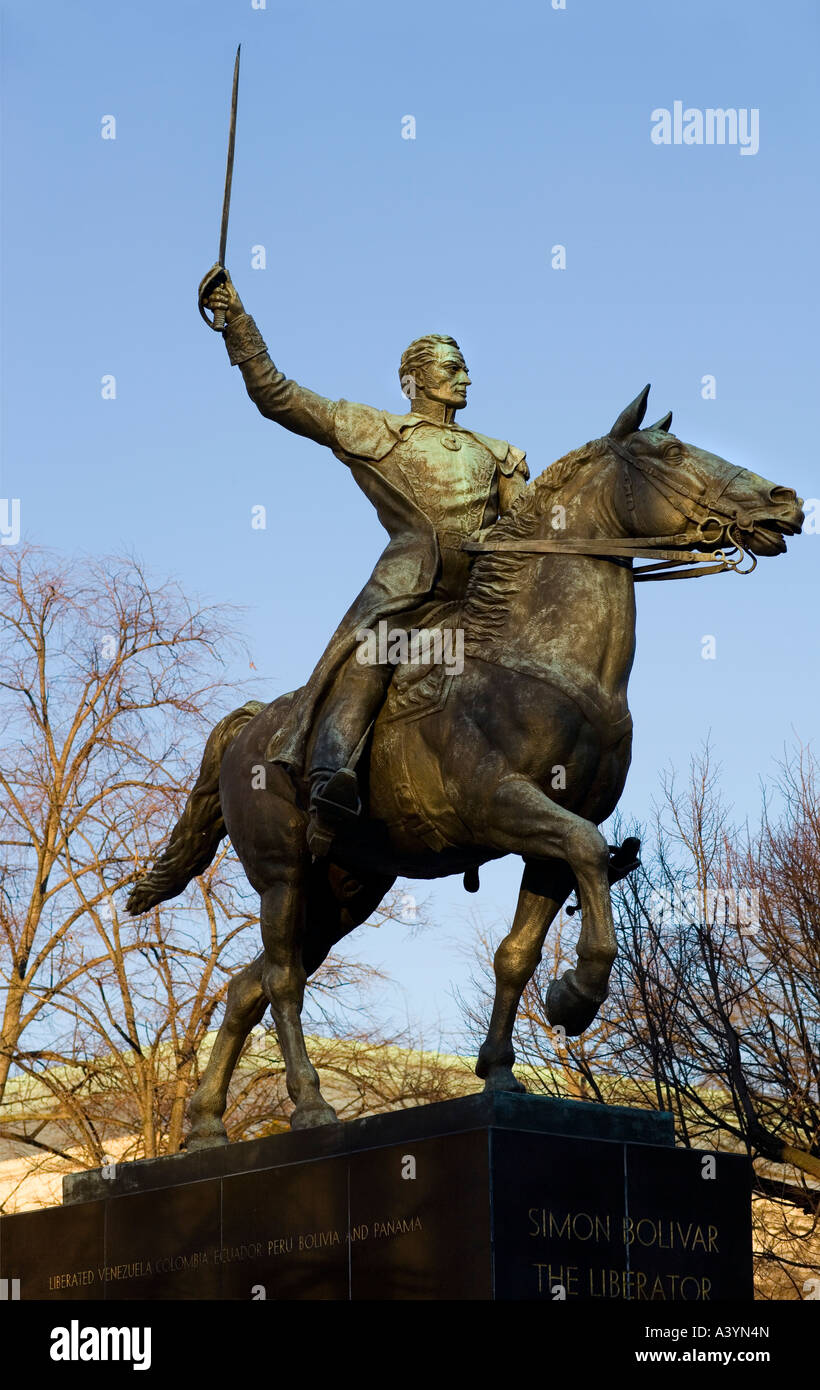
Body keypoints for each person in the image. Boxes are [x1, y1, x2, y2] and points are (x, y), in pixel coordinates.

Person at [200, 264, 529, 854]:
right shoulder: (375, 430)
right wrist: (236, 324)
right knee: (373, 656)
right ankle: (330, 775)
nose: (466, 378)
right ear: (412, 380)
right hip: (409, 594)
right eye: (452, 368)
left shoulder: (499, 454)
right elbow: (277, 395)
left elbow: (531, 533)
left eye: (466, 368)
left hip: (482, 601)